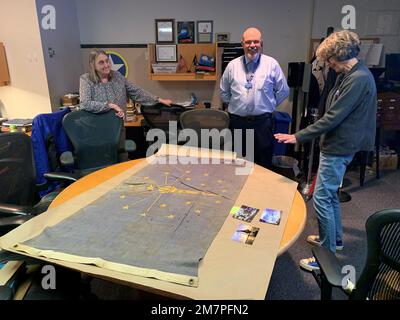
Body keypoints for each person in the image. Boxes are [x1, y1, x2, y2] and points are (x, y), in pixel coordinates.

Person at [274, 30, 377, 271]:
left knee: (321, 197)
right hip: (337, 143)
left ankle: (326, 257)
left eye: (330, 59)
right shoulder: (348, 74)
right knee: (328, 196)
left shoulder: (358, 78)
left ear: (339, 54)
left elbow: (333, 117)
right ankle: (334, 240)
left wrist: (297, 136)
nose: (328, 64)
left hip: (340, 146)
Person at [79, 49, 172, 159]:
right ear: (93, 65)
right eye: (101, 62)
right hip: (97, 130)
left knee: (122, 158)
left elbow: (136, 91)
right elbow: (85, 103)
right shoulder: (86, 79)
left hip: (118, 128)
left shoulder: (117, 76)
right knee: (103, 162)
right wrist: (110, 105)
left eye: (107, 61)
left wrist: (159, 99)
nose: (106, 65)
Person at [220, 27, 289, 169]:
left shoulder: (271, 64)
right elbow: (223, 91)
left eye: (256, 41)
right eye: (248, 42)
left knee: (264, 165)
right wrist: (235, 105)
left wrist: (269, 104)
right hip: (238, 122)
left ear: (261, 43)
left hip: (262, 123)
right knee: (239, 165)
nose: (252, 45)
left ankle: (261, 191)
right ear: (242, 44)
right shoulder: (232, 66)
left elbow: (283, 90)